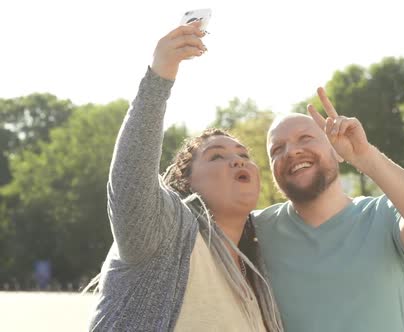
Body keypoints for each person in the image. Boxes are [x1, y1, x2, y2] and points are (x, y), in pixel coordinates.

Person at [87, 21, 283, 331]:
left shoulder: (260, 270)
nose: (236, 161)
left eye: (244, 155)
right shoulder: (167, 233)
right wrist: (160, 75)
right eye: (217, 156)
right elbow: (130, 179)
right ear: (185, 183)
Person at [252, 88, 404, 331]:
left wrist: (364, 156)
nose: (291, 151)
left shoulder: (385, 216)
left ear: (336, 151)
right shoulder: (256, 230)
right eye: (277, 149)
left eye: (306, 138)